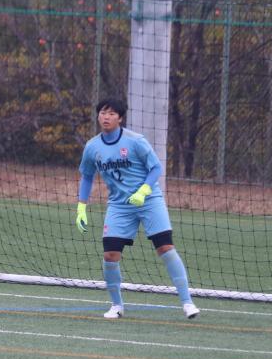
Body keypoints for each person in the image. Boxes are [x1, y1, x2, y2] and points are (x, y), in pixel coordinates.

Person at [76, 97, 199, 320]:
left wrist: (143, 191)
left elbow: (156, 168)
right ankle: (117, 306)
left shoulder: (135, 141)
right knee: (110, 255)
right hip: (119, 205)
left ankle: (187, 303)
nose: (106, 117)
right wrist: (81, 207)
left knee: (165, 248)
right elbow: (86, 176)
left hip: (149, 201)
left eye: (112, 113)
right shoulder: (92, 147)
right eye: (103, 113)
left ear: (120, 118)